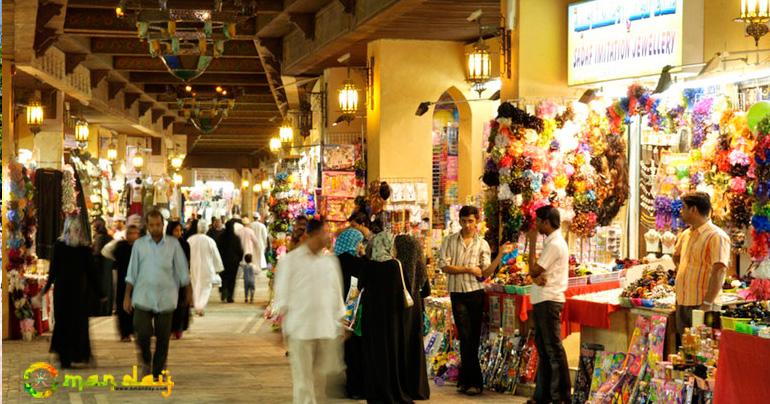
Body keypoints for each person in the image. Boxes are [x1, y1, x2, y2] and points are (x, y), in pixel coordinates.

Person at [439, 205, 511, 396]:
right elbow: (444, 266)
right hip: (457, 293)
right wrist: (469, 269)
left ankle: (466, 380)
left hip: (476, 293)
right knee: (465, 335)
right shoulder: (449, 241)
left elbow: (485, 273)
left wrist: (500, 255)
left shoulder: (482, 244)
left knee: (472, 338)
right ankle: (474, 381)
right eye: (464, 221)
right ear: (459, 221)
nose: (467, 225)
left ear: (476, 221)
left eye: (471, 221)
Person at [273, 218, 345, 404]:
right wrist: (282, 326)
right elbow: (282, 295)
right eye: (325, 232)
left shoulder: (330, 262)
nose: (328, 236)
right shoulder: (290, 261)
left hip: (325, 330)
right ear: (312, 234)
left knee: (321, 382)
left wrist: (341, 321)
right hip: (300, 330)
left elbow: (336, 294)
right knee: (303, 381)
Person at [358, 231, 428, 403]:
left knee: (375, 355)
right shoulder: (395, 266)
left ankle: (375, 391)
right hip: (392, 320)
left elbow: (360, 286)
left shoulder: (368, 265)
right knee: (392, 355)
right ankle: (394, 390)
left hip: (372, 319)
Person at [124, 210, 192, 379]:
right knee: (142, 332)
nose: (155, 228)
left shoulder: (173, 245)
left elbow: (183, 271)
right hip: (143, 296)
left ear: (163, 225)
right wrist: (127, 295)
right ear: (147, 226)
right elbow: (132, 272)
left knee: (163, 338)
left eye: (158, 225)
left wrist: (189, 292)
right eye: (152, 225)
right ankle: (146, 361)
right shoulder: (139, 245)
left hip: (166, 297)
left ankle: (158, 370)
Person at [527, 205, 571, 404]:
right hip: (542, 299)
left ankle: (560, 396)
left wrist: (531, 243)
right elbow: (538, 275)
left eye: (538, 221)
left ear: (546, 222)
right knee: (544, 350)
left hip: (548, 300)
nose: (536, 225)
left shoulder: (554, 244)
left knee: (552, 349)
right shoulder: (552, 243)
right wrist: (535, 277)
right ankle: (543, 395)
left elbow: (535, 271)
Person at [41, 217, 97, 368]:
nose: (77, 232)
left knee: (78, 324)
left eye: (78, 229)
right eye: (74, 229)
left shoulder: (84, 248)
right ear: (67, 229)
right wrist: (45, 289)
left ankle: (78, 355)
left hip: (79, 294)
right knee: (64, 324)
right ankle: (64, 357)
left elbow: (91, 272)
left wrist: (100, 292)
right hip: (63, 293)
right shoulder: (59, 246)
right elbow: (53, 271)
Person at [673, 192, 730, 335]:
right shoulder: (686, 234)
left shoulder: (716, 236)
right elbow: (677, 256)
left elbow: (719, 270)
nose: (681, 211)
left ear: (693, 209)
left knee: (705, 350)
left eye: (684, 207)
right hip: (683, 302)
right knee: (686, 349)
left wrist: (707, 303)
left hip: (704, 304)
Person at [333, 228, 367, 399]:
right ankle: (356, 388)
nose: (361, 246)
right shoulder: (359, 263)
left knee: (345, 351)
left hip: (335, 312)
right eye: (359, 242)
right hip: (354, 313)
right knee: (356, 351)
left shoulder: (332, 261)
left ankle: (348, 386)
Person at [102, 225, 141, 342]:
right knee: (122, 307)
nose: (133, 236)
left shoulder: (141, 248)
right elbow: (105, 251)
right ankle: (125, 333)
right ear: (126, 235)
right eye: (131, 233)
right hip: (123, 281)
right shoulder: (120, 246)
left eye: (135, 233)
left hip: (138, 282)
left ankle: (136, 330)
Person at [188, 220, 225, 316]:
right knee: (206, 287)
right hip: (207, 268)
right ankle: (200, 306)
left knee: (196, 286)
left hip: (194, 267)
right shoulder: (210, 241)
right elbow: (216, 255)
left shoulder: (190, 240)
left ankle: (197, 306)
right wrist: (218, 268)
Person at [167, 220, 191, 339]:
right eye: (176, 230)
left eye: (180, 230)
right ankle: (170, 329)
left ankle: (179, 328)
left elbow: (187, 262)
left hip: (181, 279)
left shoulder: (184, 244)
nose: (179, 233)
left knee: (181, 305)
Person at [217, 219, 244, 303]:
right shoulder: (236, 238)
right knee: (232, 279)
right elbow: (240, 250)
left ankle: (223, 290)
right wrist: (239, 259)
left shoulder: (221, 236)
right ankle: (230, 296)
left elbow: (217, 249)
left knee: (224, 277)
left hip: (223, 261)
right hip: (233, 262)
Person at [91, 217, 114, 316]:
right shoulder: (109, 237)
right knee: (108, 287)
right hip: (107, 267)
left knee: (100, 287)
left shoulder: (99, 237)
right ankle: (107, 309)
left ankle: (100, 310)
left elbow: (96, 252)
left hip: (99, 267)